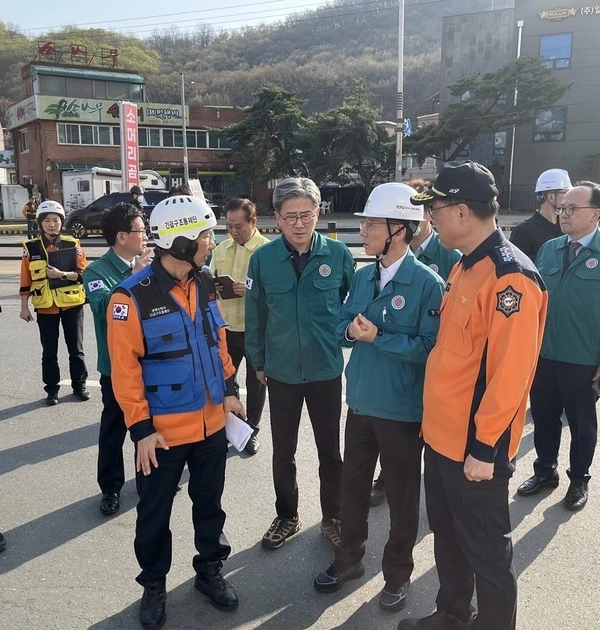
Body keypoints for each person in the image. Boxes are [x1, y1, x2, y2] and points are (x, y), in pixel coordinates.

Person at [397, 162, 548, 630]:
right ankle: (453, 614)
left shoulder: (509, 277)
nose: (430, 218)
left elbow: (510, 375)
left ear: (462, 211)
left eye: (435, 209)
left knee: (488, 554)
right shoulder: (466, 265)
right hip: (442, 438)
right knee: (448, 538)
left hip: (474, 449)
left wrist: (484, 448)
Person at [107, 195, 244, 629]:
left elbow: (217, 339)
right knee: (154, 515)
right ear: (182, 242)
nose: (211, 241)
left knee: (210, 505)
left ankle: (209, 570)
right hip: (162, 434)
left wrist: (230, 389)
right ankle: (153, 584)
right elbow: (124, 371)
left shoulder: (204, 282)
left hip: (212, 424)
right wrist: (141, 429)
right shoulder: (131, 296)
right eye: (205, 235)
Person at [313, 183, 444, 612]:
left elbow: (430, 348)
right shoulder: (363, 275)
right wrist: (352, 332)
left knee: (403, 498)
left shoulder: (427, 283)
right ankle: (349, 558)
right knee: (352, 487)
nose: (363, 231)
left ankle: (397, 574)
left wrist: (378, 337)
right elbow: (340, 326)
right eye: (365, 223)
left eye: (371, 224)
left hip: (401, 409)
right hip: (361, 402)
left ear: (398, 230)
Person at [245, 177, 355, 550]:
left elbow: (350, 306)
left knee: (330, 452)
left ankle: (334, 517)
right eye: (290, 216)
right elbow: (255, 316)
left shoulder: (338, 255)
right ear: (276, 217)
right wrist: (259, 361)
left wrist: (343, 337)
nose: (298, 224)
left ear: (317, 213)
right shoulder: (262, 260)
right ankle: (287, 515)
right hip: (282, 372)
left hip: (325, 370)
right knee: (283, 452)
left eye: (306, 214)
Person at [370, 178, 461, 508]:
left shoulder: (449, 255)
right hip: (395, 372)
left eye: (426, 209)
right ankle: (387, 477)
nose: (423, 216)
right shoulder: (384, 261)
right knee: (395, 439)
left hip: (436, 364)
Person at [517, 181, 600, 512]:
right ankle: (544, 471)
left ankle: (579, 479)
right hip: (544, 353)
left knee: (581, 424)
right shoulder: (550, 249)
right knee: (544, 416)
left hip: (583, 357)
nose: (564, 213)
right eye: (562, 207)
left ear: (596, 214)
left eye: (573, 208)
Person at [82, 203, 153, 516]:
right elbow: (103, 308)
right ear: (122, 237)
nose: (145, 236)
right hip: (116, 367)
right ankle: (110, 488)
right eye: (140, 230)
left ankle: (148, 480)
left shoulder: (148, 263)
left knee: (148, 425)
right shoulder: (96, 271)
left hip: (149, 362)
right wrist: (134, 278)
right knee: (114, 429)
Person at [209, 198, 270, 455]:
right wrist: (212, 285)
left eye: (239, 227)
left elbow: (276, 293)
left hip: (255, 330)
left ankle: (251, 430)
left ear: (253, 222)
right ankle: (231, 428)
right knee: (226, 382)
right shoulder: (221, 249)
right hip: (226, 327)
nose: (233, 232)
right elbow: (209, 277)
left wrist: (251, 291)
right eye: (229, 227)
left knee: (256, 385)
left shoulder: (267, 251)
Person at [19, 200, 89, 405]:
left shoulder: (72, 244)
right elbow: (25, 280)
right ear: (40, 223)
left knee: (76, 349)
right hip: (45, 306)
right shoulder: (30, 247)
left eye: (56, 220)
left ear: (62, 222)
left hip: (72, 304)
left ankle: (79, 386)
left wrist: (62, 274)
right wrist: (24, 307)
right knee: (49, 351)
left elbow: (84, 273)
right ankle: (52, 390)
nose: (52, 224)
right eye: (47, 220)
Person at [510, 168, 571, 261]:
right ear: (551, 197)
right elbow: (519, 264)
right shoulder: (523, 232)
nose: (569, 198)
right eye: (566, 193)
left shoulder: (568, 225)